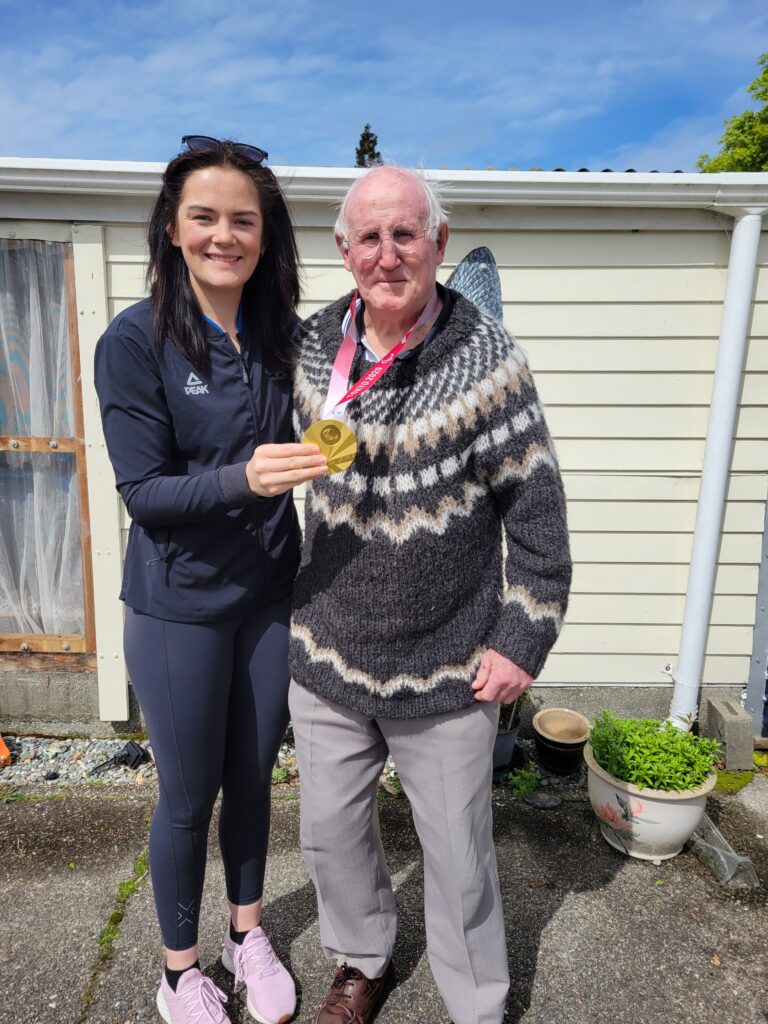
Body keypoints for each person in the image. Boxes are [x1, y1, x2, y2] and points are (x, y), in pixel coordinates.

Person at [289, 165, 572, 1024]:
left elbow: (538, 512)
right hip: (328, 650)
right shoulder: (308, 347)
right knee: (332, 837)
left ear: (438, 244)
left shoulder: (487, 358)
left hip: (448, 663)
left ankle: (476, 1000)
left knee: (459, 859)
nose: (387, 253)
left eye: (405, 233)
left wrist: (523, 639)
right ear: (344, 251)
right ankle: (360, 961)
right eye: (368, 237)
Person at [94, 137, 327, 1024]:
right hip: (177, 608)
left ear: (265, 237)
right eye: (205, 216)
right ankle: (179, 972)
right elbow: (145, 493)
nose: (224, 234)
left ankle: (247, 935)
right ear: (171, 226)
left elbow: (352, 386)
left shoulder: (278, 335)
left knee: (254, 776)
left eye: (244, 219)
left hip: (269, 597)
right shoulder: (137, 339)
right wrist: (245, 478)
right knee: (188, 798)